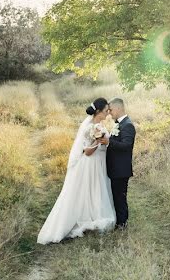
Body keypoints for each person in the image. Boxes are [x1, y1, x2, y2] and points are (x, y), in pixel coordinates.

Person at [36, 97, 116, 244]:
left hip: (99, 163)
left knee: (97, 189)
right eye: (105, 111)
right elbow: (87, 152)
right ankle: (82, 219)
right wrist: (98, 142)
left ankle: (94, 215)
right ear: (98, 111)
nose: (107, 114)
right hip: (90, 163)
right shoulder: (89, 128)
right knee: (88, 190)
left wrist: (106, 142)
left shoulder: (99, 125)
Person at [100, 97, 135, 228]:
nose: (109, 113)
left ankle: (122, 224)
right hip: (116, 169)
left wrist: (109, 142)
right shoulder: (119, 123)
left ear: (119, 108)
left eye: (111, 110)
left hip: (121, 170)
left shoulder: (128, 125)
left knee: (120, 197)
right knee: (116, 196)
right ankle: (119, 221)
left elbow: (127, 145)